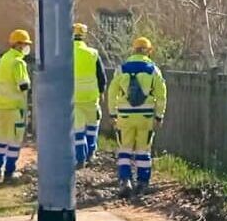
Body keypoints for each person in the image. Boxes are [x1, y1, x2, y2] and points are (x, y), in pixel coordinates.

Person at [107, 37, 168, 196]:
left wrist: (112, 113)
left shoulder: (121, 69)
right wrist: (159, 116)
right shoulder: (153, 70)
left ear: (133, 50)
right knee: (143, 151)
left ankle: (125, 180)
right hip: (145, 117)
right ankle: (142, 182)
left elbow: (112, 92)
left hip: (125, 117)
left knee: (124, 149)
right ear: (149, 51)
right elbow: (161, 95)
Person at [0, 30, 32, 182]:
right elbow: (23, 85)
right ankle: (9, 172)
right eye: (25, 44)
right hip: (15, 107)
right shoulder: (18, 62)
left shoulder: (5, 58)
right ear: (19, 45)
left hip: (1, 105)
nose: (27, 47)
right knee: (14, 141)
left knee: (2, 138)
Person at [71, 23, 106, 167]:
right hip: (91, 96)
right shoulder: (93, 53)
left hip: (73, 97)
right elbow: (101, 76)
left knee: (78, 130)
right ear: (84, 35)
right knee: (93, 125)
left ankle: (80, 158)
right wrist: (102, 91)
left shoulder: (65, 54)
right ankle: (91, 154)